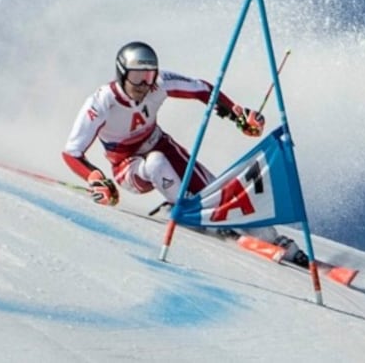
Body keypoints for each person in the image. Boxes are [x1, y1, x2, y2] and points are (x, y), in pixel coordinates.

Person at [62, 41, 308, 267]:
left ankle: (275, 239)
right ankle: (190, 214)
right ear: (122, 73)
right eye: (137, 77)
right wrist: (96, 179)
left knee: (220, 191)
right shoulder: (102, 101)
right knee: (156, 163)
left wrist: (238, 114)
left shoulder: (159, 83)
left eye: (149, 76)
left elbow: (201, 89)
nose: (144, 85)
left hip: (160, 144)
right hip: (127, 166)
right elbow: (72, 152)